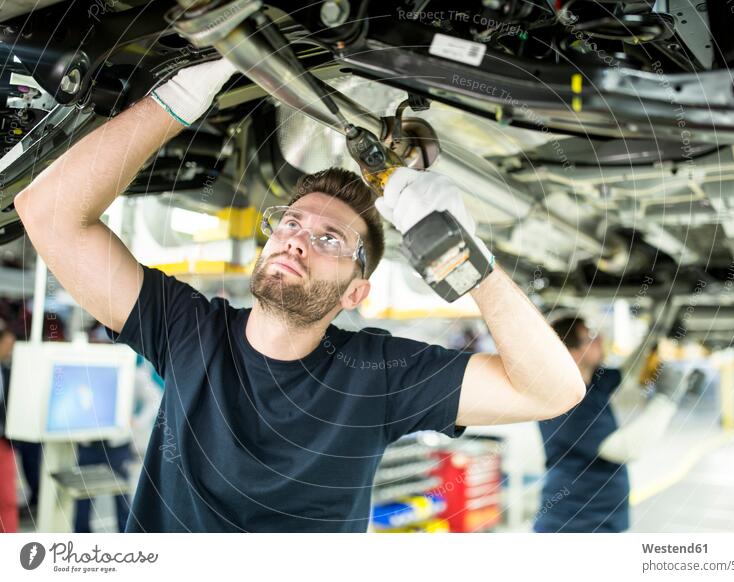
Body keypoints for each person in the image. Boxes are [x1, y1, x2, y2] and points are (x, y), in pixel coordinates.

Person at [13, 57, 585, 532]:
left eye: (328, 238)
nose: (295, 240)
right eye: (289, 223)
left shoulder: (377, 373)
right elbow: (47, 213)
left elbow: (552, 391)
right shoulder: (188, 328)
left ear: (356, 292)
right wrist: (182, 95)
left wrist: (467, 260)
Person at [534, 316, 690, 533]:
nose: (600, 339)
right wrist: (667, 399)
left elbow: (630, 371)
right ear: (572, 352)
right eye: (589, 337)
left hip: (600, 518)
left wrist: (656, 331)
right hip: (574, 524)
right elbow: (625, 449)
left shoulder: (591, 382)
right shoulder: (563, 401)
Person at [0, 325, 18, 532]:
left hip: (4, 442)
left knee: (7, 498)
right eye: (7, 344)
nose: (10, 348)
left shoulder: (8, 371)